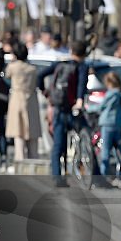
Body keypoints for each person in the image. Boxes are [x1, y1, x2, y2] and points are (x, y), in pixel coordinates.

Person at [44, 41, 89, 187]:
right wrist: (80, 100)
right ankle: (96, 173)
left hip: (58, 108)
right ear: (84, 54)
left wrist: (47, 94)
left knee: (58, 144)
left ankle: (57, 177)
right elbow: (82, 84)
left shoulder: (60, 64)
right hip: (73, 109)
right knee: (86, 136)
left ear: (71, 50)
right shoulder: (82, 66)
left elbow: (40, 75)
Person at [87, 71, 121, 185]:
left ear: (109, 83)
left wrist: (89, 108)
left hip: (108, 124)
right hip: (118, 124)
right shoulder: (120, 94)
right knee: (117, 150)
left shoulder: (111, 94)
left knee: (105, 151)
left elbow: (101, 106)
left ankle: (104, 177)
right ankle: (120, 175)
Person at [4, 43, 41, 161]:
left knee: (18, 132)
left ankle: (19, 160)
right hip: (31, 100)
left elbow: (6, 76)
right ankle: (34, 160)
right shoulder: (32, 69)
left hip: (17, 98)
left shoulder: (13, 67)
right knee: (32, 133)